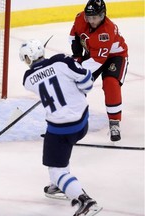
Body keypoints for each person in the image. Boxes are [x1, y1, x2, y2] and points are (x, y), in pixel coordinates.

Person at [19, 39, 102, 216]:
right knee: (61, 151)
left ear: (28, 58)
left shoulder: (27, 80)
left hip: (61, 129)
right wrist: (77, 87)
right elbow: (87, 81)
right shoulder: (62, 61)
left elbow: (43, 79)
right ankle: (58, 186)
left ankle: (85, 200)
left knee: (56, 169)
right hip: (82, 121)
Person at [69, 0, 129, 142]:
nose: (91, 21)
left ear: (102, 15)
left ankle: (114, 123)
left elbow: (97, 62)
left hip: (115, 56)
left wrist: (75, 71)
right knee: (78, 85)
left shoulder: (107, 31)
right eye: (89, 17)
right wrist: (77, 57)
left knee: (110, 82)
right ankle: (71, 120)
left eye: (95, 17)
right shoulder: (80, 18)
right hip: (95, 54)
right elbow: (74, 36)